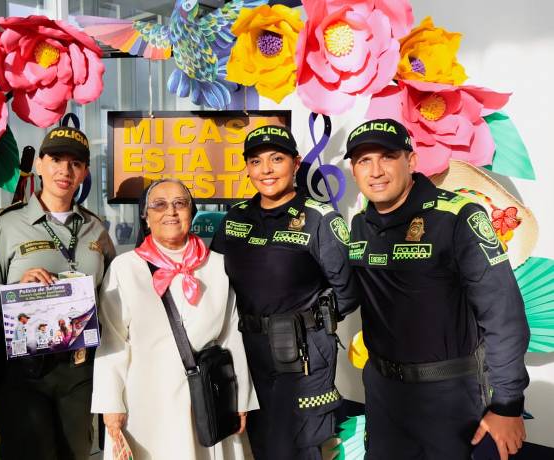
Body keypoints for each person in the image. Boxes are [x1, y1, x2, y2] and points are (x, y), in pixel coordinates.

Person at [344, 118, 530, 459]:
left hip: (449, 397)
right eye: (363, 161)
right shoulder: (359, 225)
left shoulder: (458, 216)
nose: (376, 171)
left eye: (387, 157)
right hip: (383, 394)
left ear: (411, 161)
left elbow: (502, 314)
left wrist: (507, 404)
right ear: (354, 171)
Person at [210, 125, 360, 460]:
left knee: (300, 446)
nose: (266, 169)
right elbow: (215, 283)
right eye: (256, 161)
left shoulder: (319, 218)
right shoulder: (235, 218)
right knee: (257, 443)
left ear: (296, 162)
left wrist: (309, 323)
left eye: (276, 159)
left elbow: (348, 291)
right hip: (246, 352)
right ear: (247, 168)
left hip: (302, 357)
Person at [92, 178, 259, 459]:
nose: (170, 211)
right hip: (145, 399)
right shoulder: (125, 268)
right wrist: (111, 404)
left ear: (191, 212)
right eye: (159, 205)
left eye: (180, 203)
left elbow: (233, 336)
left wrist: (240, 398)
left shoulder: (217, 266)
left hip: (208, 397)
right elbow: (112, 340)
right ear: (146, 217)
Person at [0, 126, 116, 460]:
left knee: (76, 452)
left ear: (84, 173)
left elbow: (109, 296)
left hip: (79, 368)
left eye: (75, 163)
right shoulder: (7, 224)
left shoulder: (96, 228)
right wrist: (17, 291)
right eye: (56, 160)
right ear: (39, 164)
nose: (65, 170)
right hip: (24, 369)